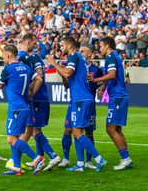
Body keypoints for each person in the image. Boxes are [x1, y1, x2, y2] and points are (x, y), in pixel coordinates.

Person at [46, 37, 107, 172]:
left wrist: (53, 63)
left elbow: (68, 72)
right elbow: (67, 81)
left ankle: (98, 159)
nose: (60, 48)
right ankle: (80, 164)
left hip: (81, 99)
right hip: (81, 98)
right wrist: (61, 70)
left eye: (62, 45)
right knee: (75, 130)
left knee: (77, 131)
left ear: (69, 46)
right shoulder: (80, 58)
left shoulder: (74, 56)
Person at [6, 33, 61, 171]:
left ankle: (50, 156)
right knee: (32, 129)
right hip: (39, 97)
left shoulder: (27, 58)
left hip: (36, 98)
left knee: (32, 130)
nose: (37, 44)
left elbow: (38, 76)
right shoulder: (32, 57)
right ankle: (38, 157)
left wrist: (29, 91)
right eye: (35, 42)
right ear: (28, 42)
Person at [0, 44, 44, 176]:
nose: (4, 59)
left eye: (3, 56)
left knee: (11, 139)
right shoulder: (26, 67)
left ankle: (37, 158)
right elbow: (39, 79)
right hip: (25, 106)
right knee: (16, 137)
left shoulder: (8, 69)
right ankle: (16, 168)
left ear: (7, 56)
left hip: (15, 108)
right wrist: (32, 93)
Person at [88, 37, 133, 171]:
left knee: (110, 129)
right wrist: (102, 87)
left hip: (117, 96)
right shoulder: (115, 57)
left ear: (107, 46)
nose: (99, 48)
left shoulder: (110, 58)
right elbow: (113, 76)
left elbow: (112, 75)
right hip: (120, 95)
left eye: (101, 46)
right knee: (117, 129)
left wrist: (96, 80)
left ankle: (125, 158)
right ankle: (126, 158)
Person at [58, 45, 104, 170]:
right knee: (70, 129)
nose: (80, 52)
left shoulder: (94, 69)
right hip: (75, 101)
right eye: (80, 50)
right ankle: (71, 160)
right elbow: (67, 84)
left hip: (84, 101)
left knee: (86, 131)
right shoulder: (76, 63)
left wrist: (97, 83)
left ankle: (90, 160)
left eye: (83, 51)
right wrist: (63, 75)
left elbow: (104, 81)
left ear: (90, 55)